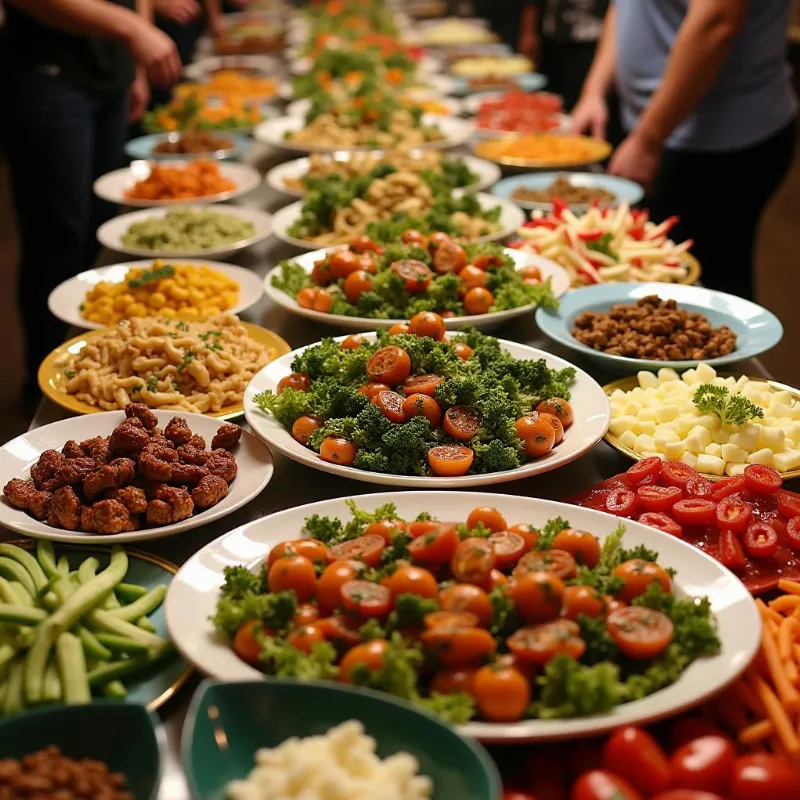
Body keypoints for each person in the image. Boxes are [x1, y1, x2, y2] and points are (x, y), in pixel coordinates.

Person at [0, 0, 181, 407]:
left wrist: (132, 59)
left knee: (99, 234)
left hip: (110, 68)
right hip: (49, 71)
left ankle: (113, 369)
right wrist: (131, 29)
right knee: (58, 238)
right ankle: (51, 391)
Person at [571, 0, 797, 300]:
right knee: (650, 277)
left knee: (705, 293)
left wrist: (647, 140)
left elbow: (717, 22)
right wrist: (594, 91)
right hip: (658, 128)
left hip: (718, 142)